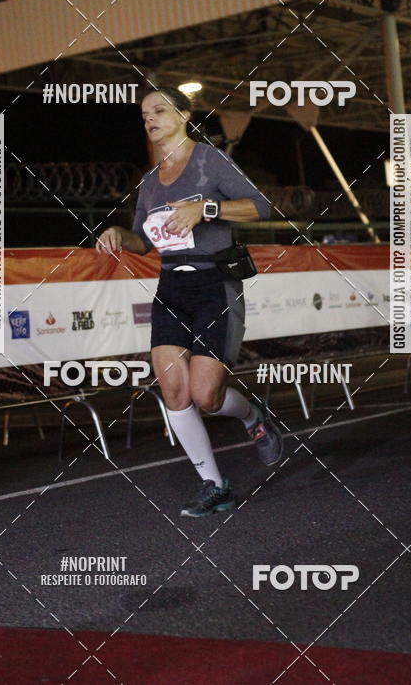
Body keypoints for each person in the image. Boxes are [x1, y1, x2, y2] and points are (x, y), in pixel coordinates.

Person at [95, 86, 283, 517]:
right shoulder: (148, 181)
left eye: (160, 110)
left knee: (206, 396)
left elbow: (263, 206)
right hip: (170, 288)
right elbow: (143, 241)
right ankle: (214, 486)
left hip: (213, 283)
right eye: (144, 114)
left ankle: (252, 416)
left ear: (183, 115)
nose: (150, 119)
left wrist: (208, 209)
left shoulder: (209, 160)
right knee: (175, 392)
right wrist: (117, 235)